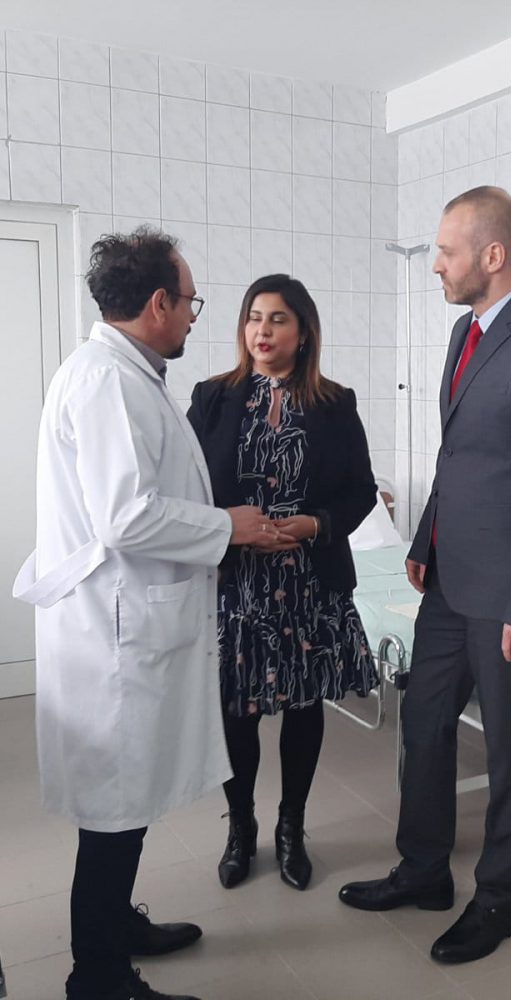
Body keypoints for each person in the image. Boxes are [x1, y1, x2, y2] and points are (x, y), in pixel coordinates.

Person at [13, 228, 282, 1000]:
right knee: (114, 807)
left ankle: (114, 929)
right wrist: (228, 526)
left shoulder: (127, 374)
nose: (195, 314)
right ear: (159, 302)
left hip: (124, 623)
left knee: (122, 802)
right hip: (115, 635)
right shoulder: (107, 381)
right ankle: (97, 976)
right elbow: (126, 516)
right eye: (190, 300)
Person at [339, 187, 511, 964]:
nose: (437, 265)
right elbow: (457, 457)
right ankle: (424, 870)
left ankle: (499, 896)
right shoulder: (465, 332)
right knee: (423, 721)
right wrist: (424, 539)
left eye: (447, 252)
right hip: (450, 580)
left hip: (509, 592)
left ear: (493, 254)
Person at [187, 274, 378, 893]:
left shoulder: (334, 403)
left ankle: (291, 827)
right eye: (254, 318)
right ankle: (241, 828)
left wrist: (316, 524)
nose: (262, 331)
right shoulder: (213, 398)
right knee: (236, 710)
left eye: (277, 319)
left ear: (303, 332)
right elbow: (185, 487)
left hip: (308, 582)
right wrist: (226, 528)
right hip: (236, 582)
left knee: (303, 706)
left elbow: (361, 490)